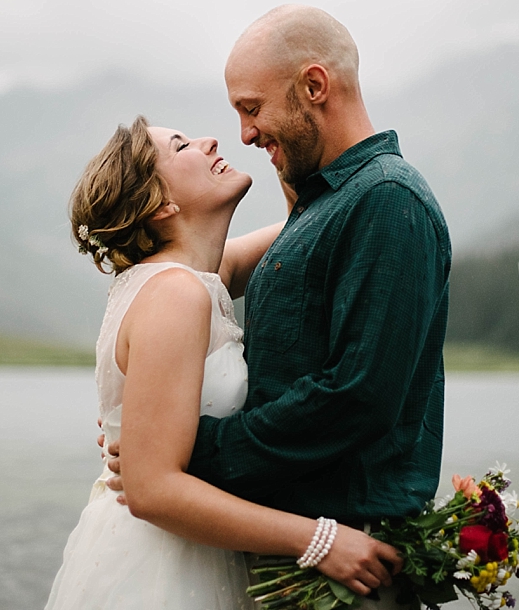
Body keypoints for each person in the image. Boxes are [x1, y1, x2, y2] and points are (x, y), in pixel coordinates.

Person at [104, 5, 451, 609]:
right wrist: (150, 455)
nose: (242, 134)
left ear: (314, 86)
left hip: (350, 565)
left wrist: (192, 453)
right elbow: (191, 268)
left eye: (252, 108)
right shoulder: (321, 210)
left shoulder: (387, 200)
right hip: (290, 564)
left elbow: (356, 396)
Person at [44, 115, 401, 610]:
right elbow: (151, 491)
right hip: (163, 568)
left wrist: (288, 144)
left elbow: (317, 221)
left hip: (183, 549)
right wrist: (322, 541)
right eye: (183, 144)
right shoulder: (175, 293)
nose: (211, 139)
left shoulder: (193, 275)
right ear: (160, 204)